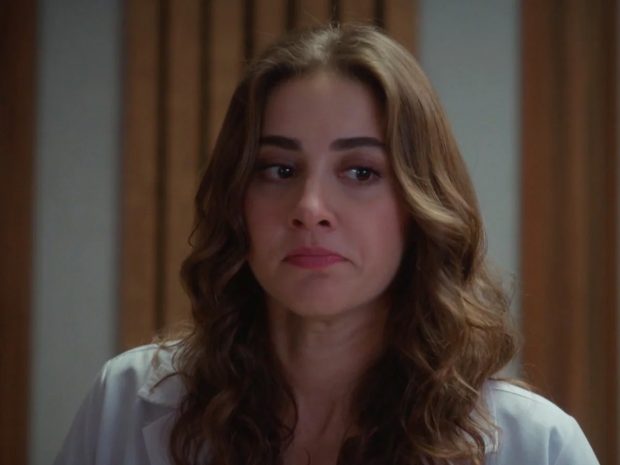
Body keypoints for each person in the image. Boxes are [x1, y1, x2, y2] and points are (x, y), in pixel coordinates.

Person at [54, 24, 599, 465]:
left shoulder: (537, 446)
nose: (310, 207)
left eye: (360, 171)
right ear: (236, 200)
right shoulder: (122, 405)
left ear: (420, 205)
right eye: (278, 169)